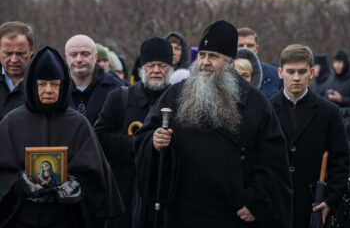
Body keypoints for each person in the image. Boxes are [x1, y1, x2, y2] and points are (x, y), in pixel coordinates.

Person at [135, 20, 292, 228]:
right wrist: (154, 141)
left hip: (231, 214)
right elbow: (144, 137)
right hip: (182, 211)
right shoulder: (175, 94)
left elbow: (273, 161)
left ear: (229, 63)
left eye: (213, 56)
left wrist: (256, 201)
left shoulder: (254, 103)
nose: (205, 62)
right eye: (202, 55)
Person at [0, 46, 125, 228]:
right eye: (42, 84)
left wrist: (76, 187)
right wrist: (18, 185)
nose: (49, 90)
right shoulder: (12, 122)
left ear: (64, 85)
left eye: (54, 84)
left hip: (66, 220)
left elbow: (96, 176)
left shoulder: (78, 124)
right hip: (21, 219)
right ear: (32, 85)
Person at [95, 37, 173, 228]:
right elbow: (100, 138)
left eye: (162, 65)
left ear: (170, 69)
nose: (156, 70)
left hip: (164, 192)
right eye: (150, 65)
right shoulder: (119, 98)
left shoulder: (178, 100)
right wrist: (142, 144)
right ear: (141, 68)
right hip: (125, 190)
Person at [270, 44, 349, 228]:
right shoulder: (266, 110)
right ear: (280, 73)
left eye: (302, 71)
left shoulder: (329, 112)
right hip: (275, 205)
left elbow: (340, 161)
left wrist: (330, 200)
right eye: (290, 71)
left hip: (312, 206)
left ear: (311, 72)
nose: (296, 77)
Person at [65, 34, 124, 125]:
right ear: (66, 57)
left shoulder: (118, 89)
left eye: (85, 54)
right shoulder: (56, 89)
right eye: (73, 55)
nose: (79, 59)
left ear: (95, 57)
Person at [0, 21, 34, 121]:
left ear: (31, 50)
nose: (14, 60)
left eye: (20, 53)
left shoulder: (43, 82)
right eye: (8, 53)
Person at [237, 27, 282, 98]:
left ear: (256, 49)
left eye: (250, 45)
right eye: (240, 46)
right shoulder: (223, 75)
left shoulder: (275, 74)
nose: (245, 49)